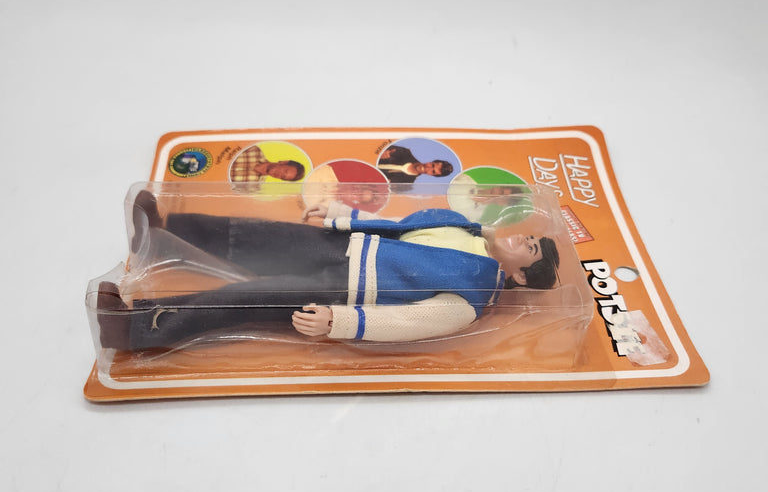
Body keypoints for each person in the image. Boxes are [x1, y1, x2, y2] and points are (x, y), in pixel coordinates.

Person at [97, 191, 560, 351]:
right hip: (343, 246)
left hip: (342, 288)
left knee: (251, 298)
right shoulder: (466, 227)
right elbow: (396, 225)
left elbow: (406, 323)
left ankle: (135, 327)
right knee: (258, 235)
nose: (524, 237)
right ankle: (164, 232)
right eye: (531, 237)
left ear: (520, 276)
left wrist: (339, 321)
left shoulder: (471, 300)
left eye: (530, 248)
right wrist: (342, 215)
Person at [229, 144, 306, 185]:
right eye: (285, 171)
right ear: (284, 162)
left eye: (283, 177)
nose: (279, 175)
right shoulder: (253, 150)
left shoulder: (254, 186)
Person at [378, 145, 454, 185]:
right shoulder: (404, 152)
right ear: (431, 162)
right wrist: (381, 153)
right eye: (432, 165)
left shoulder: (406, 184)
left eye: (433, 171)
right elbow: (376, 148)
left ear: (432, 175)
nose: (428, 168)